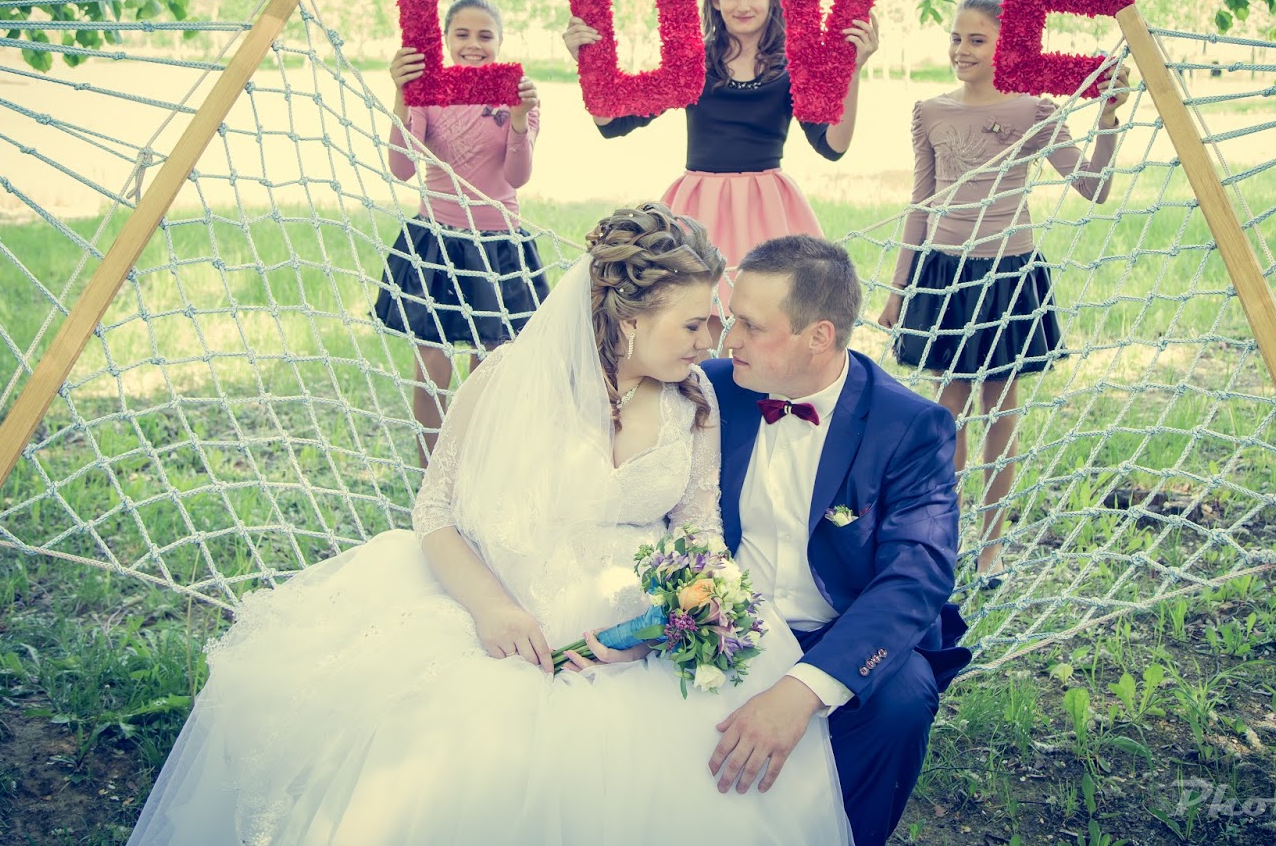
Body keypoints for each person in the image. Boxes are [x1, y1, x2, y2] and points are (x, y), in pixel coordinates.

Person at [128, 204, 854, 846]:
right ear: (631, 321)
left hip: (627, 630)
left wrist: (666, 625)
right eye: (694, 323)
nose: (711, 340)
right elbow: (434, 511)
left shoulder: (692, 398)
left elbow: (700, 532)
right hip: (498, 604)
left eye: (714, 321)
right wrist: (492, 609)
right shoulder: (511, 378)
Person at [702, 235, 971, 846]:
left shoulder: (909, 425)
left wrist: (804, 688)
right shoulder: (708, 390)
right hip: (722, 620)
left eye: (751, 326)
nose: (729, 340)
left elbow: (917, 574)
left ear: (819, 336)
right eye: (731, 318)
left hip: (839, 627)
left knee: (901, 703)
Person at [876, 0, 1131, 587]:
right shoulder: (930, 111)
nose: (961, 50)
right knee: (948, 413)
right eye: (955, 38)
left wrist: (1107, 120)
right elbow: (920, 203)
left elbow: (1092, 186)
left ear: (1006, 45)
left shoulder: (1032, 111)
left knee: (1000, 411)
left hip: (1007, 278)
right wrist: (899, 288)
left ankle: (992, 544)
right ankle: (944, 535)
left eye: (977, 40)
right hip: (946, 275)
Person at [562, 0, 878, 314]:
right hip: (700, 207)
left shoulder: (793, 67)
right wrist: (587, 61)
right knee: (694, 313)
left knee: (768, 313)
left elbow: (833, 145)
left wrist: (853, 70)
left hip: (766, 207)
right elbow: (612, 123)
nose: (743, 5)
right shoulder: (693, 62)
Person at [374, 0, 550, 464]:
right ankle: (431, 473)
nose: (474, 44)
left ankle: (473, 469)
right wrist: (403, 93)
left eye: (485, 35)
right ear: (447, 39)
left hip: (498, 247)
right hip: (438, 242)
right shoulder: (429, 92)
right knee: (432, 367)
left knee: (488, 370)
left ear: (500, 41)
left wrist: (518, 121)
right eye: (463, 34)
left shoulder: (520, 96)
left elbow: (517, 176)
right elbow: (401, 167)